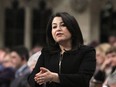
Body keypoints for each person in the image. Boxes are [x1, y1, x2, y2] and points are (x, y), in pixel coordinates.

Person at [28, 12, 96, 87]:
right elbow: (31, 78)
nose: (58, 29)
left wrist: (55, 77)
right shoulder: (47, 52)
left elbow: (83, 79)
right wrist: (39, 78)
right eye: (54, 27)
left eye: (63, 25)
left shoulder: (87, 52)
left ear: (72, 28)